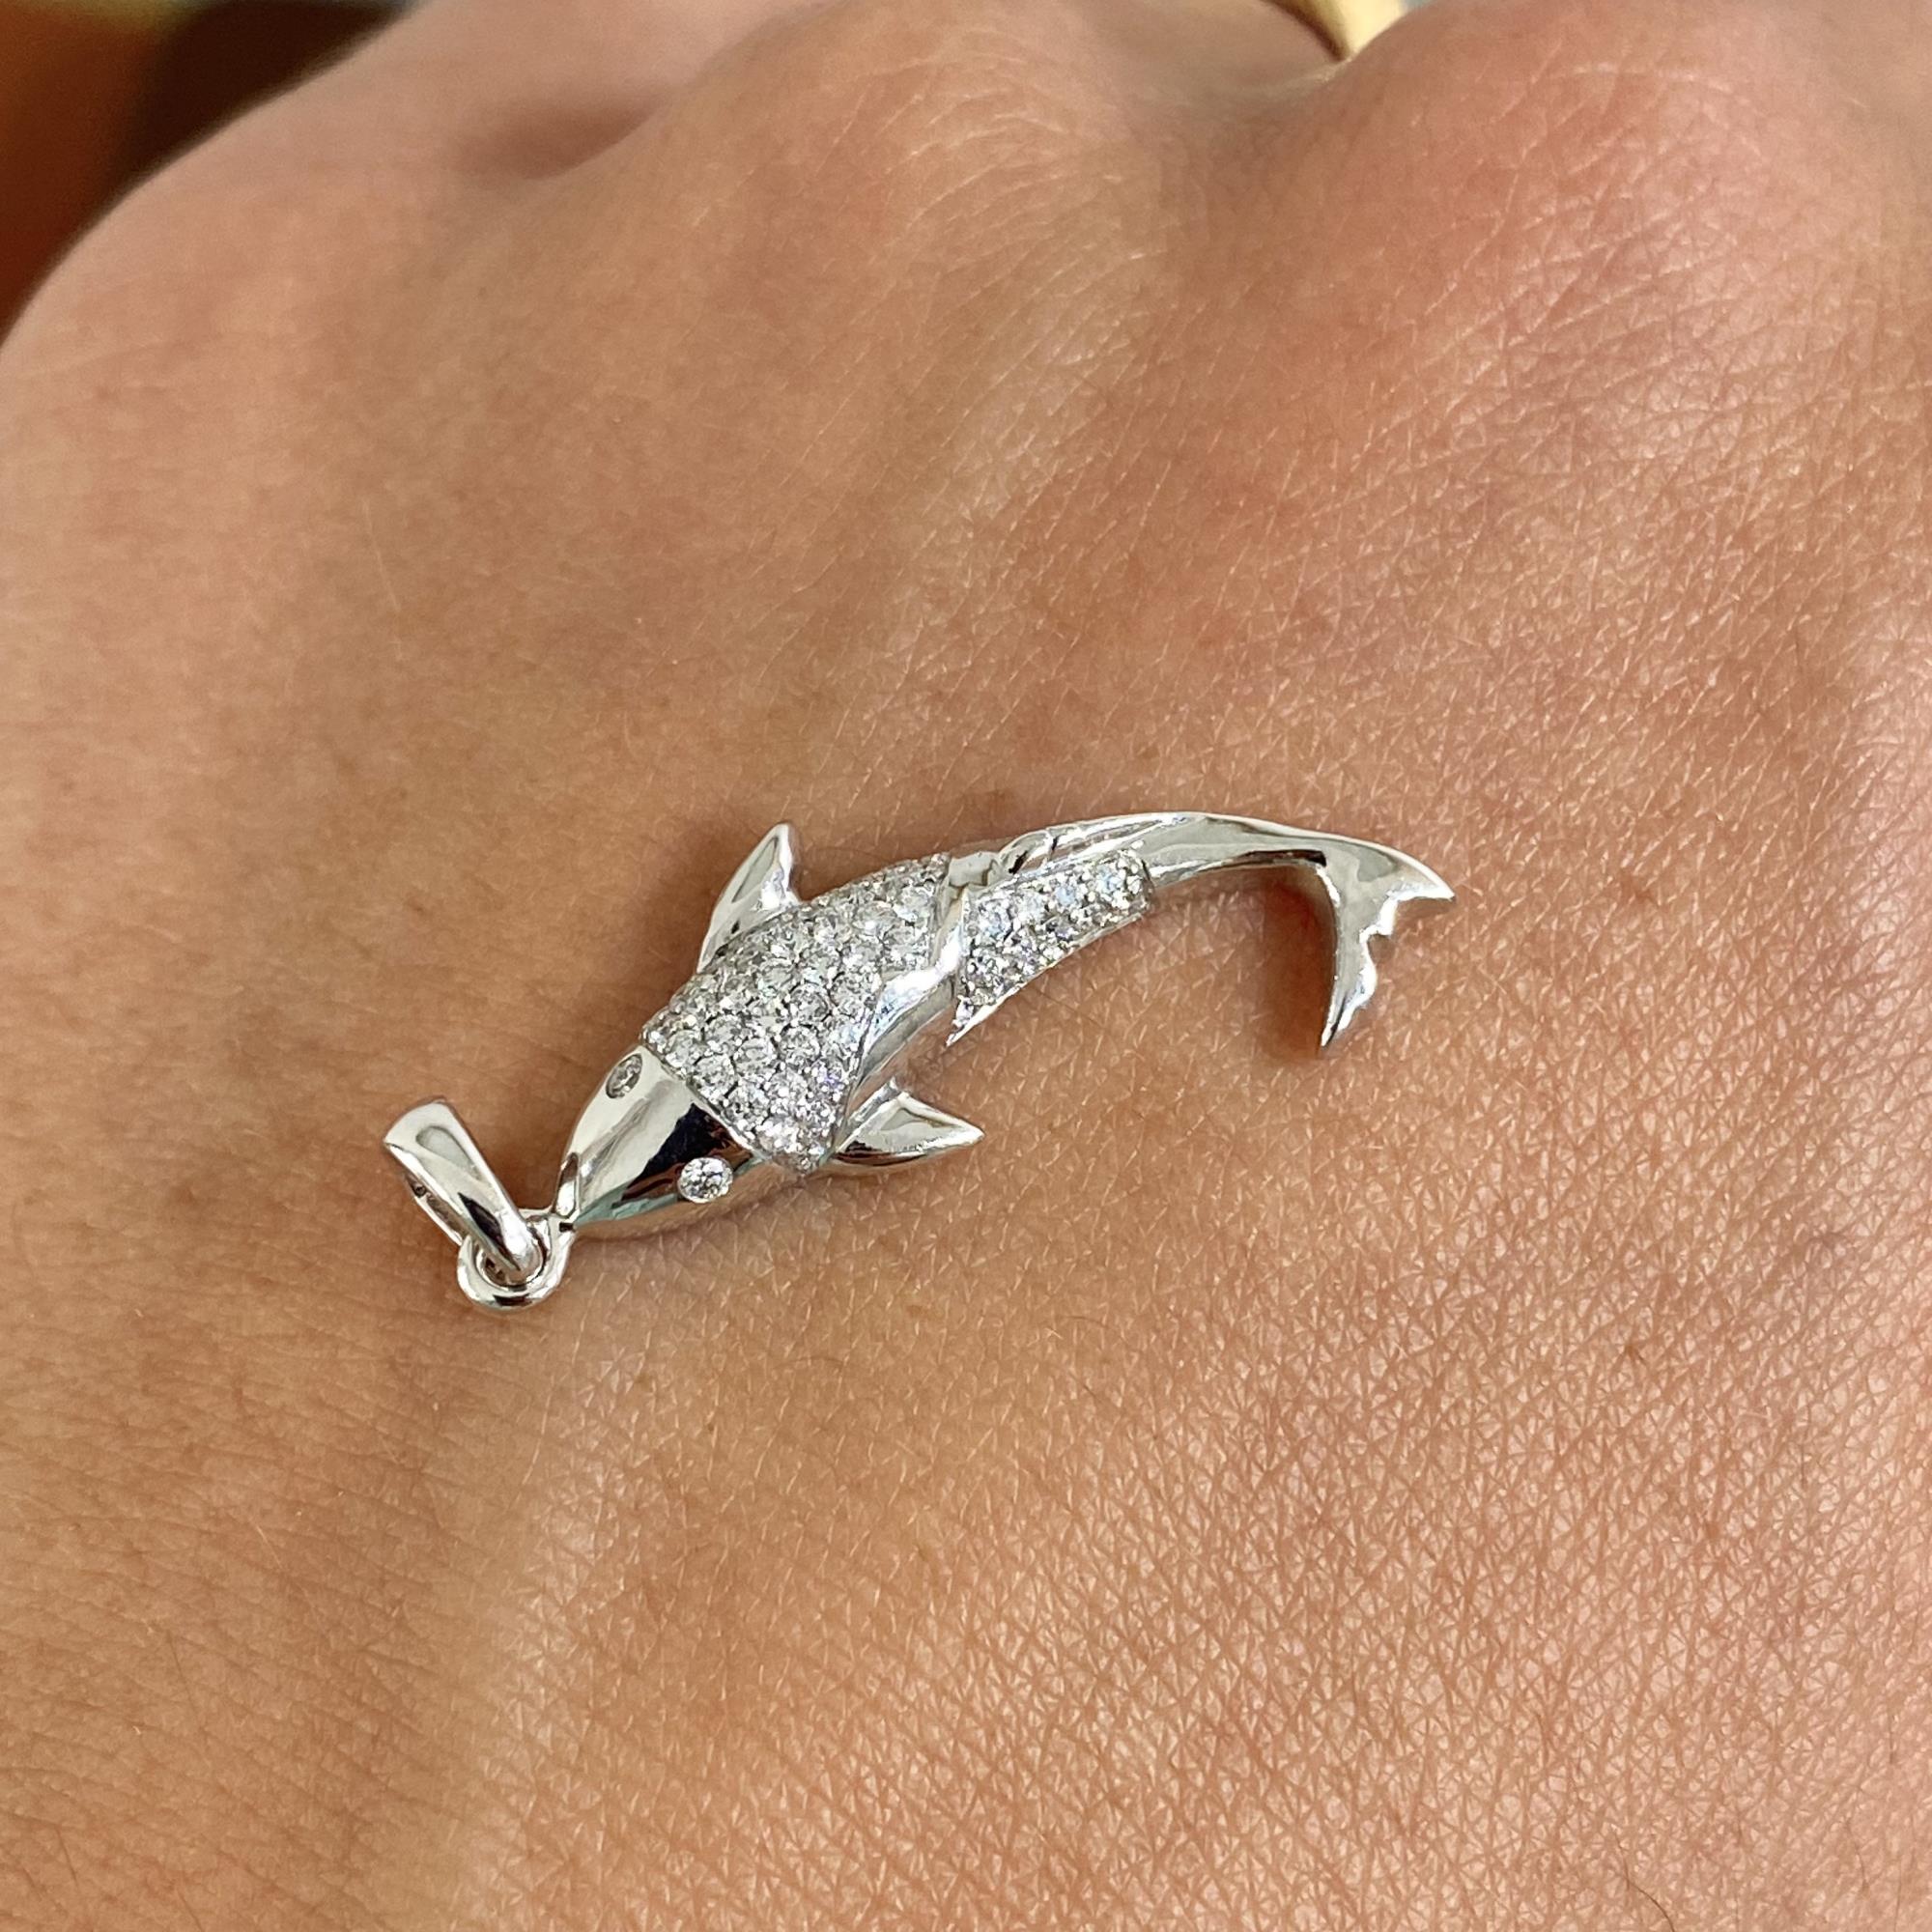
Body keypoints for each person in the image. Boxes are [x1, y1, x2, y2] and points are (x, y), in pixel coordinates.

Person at [2, 0, 1927, 1920]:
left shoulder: (678, 1124)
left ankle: (1319, 872)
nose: (648, 1158)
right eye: (684, 1162)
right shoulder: (656, 1149)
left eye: (664, 1136)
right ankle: (1312, 875)